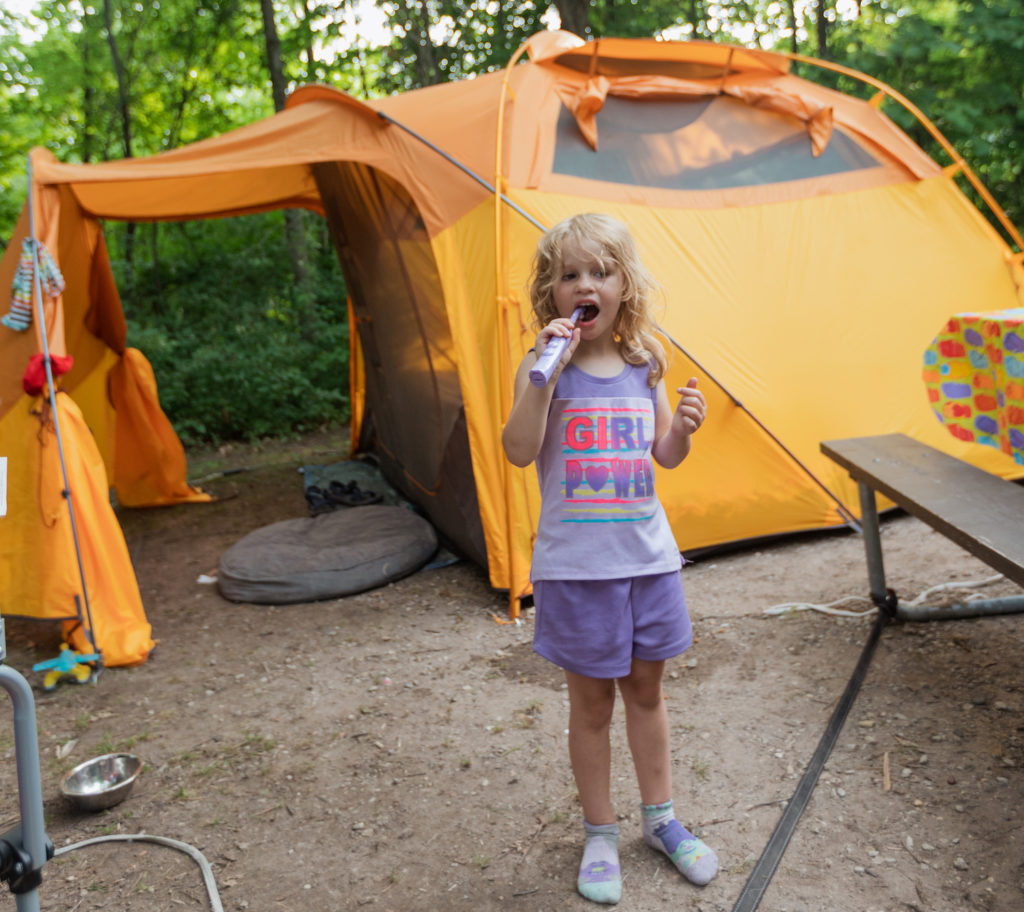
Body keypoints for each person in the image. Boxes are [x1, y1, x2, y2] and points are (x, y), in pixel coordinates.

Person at [501, 213, 718, 904]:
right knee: (591, 706)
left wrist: (681, 428)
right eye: (569, 275)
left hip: (648, 563)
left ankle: (662, 820)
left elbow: (665, 457)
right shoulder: (544, 370)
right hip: (576, 570)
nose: (584, 284)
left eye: (600, 271)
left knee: (647, 693)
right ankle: (600, 832)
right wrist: (544, 376)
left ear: (625, 286)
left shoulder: (643, 364)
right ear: (552, 292)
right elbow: (518, 449)